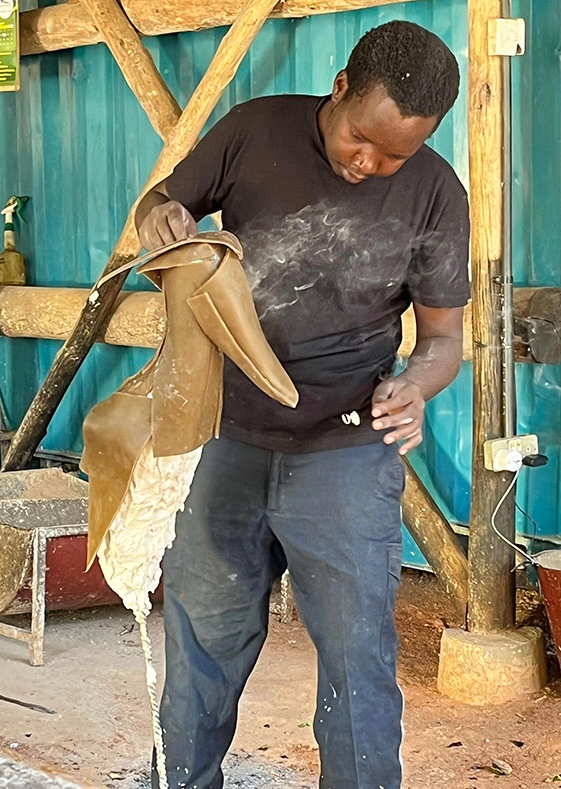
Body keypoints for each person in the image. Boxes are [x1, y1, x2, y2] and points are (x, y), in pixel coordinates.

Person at [135, 19, 469, 789]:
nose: (370, 163)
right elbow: (163, 200)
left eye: (396, 154)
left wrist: (415, 384)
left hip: (348, 450)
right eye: (362, 140)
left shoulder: (435, 194)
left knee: (358, 666)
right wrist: (160, 216)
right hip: (227, 435)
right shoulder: (255, 130)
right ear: (341, 87)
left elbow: (444, 340)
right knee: (202, 653)